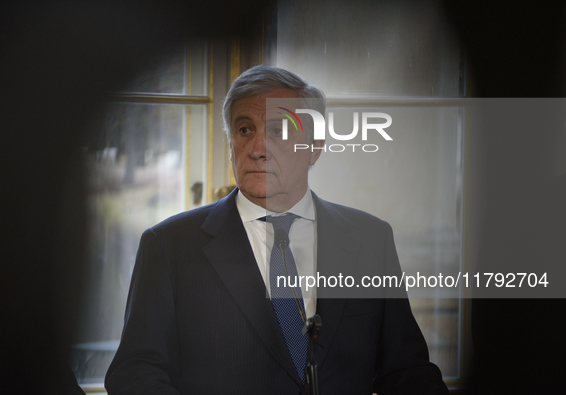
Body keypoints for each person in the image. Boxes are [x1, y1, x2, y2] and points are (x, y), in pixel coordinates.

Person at [105, 65, 448, 394]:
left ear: (315, 147)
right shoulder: (169, 245)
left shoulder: (370, 239)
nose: (257, 149)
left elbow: (406, 372)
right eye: (244, 130)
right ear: (230, 145)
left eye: (279, 131)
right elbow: (135, 373)